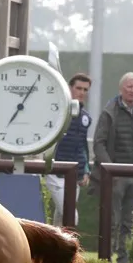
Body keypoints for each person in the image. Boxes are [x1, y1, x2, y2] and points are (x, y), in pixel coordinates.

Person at [93, 72, 133, 263]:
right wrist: (111, 170)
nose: (132, 90)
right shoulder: (109, 112)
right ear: (121, 89)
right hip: (115, 178)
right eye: (129, 86)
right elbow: (99, 143)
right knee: (112, 221)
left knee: (129, 223)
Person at [46, 73, 92, 227]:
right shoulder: (56, 111)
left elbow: (82, 146)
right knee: (71, 215)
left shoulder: (85, 117)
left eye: (85, 90)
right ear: (70, 88)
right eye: (79, 88)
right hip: (55, 171)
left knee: (61, 217)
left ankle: (54, 250)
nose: (82, 92)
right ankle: (70, 249)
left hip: (75, 175)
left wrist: (85, 170)